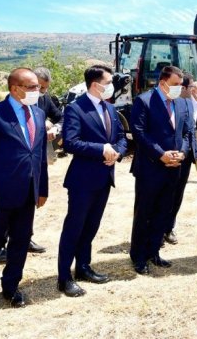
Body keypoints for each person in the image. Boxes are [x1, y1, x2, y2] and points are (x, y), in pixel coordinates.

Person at [0, 68, 48, 316]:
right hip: (0, 195)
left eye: (38, 87)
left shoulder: (38, 113)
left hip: (28, 193)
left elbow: (39, 155)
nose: (37, 91)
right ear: (15, 89)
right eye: (32, 87)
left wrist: (42, 188)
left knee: (20, 242)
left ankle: (11, 286)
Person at [57, 65, 127, 297]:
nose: (112, 86)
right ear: (96, 85)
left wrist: (117, 152)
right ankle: (64, 277)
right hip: (82, 180)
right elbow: (70, 142)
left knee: (91, 227)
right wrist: (101, 149)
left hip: (104, 178)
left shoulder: (110, 107)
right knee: (74, 228)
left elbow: (120, 138)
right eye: (109, 82)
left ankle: (83, 267)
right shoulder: (76, 109)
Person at [129, 66, 194, 275]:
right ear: (163, 82)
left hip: (174, 167)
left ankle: (154, 252)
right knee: (145, 213)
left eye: (181, 85)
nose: (179, 88)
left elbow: (187, 132)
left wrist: (182, 153)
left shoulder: (181, 102)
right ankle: (139, 256)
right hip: (151, 167)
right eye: (175, 84)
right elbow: (139, 132)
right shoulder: (144, 101)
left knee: (163, 212)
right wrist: (160, 154)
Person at [0, 68, 57, 264]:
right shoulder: (2, 111)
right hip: (9, 175)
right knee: (5, 215)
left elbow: (60, 117)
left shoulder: (43, 103)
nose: (40, 92)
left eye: (42, 88)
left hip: (32, 173)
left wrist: (55, 127)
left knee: (25, 214)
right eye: (35, 87)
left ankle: (25, 239)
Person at [163, 73, 197, 245]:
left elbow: (191, 130)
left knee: (178, 195)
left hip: (186, 156)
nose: (193, 90)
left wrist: (186, 152)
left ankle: (169, 228)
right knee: (166, 195)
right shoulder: (170, 104)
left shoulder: (190, 102)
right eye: (191, 87)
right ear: (183, 88)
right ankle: (158, 229)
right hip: (171, 156)